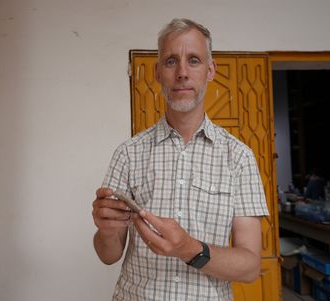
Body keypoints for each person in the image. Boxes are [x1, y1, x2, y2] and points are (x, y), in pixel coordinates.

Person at [92, 18, 269, 301]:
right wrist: (106, 231)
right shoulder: (128, 153)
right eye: (171, 61)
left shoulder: (240, 158)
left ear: (210, 71)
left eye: (194, 60)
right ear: (158, 72)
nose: (182, 73)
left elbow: (250, 267)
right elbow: (108, 255)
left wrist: (189, 248)